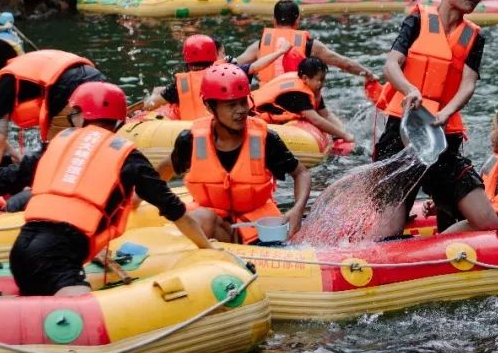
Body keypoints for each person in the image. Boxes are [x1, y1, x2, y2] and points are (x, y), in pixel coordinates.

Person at [7, 82, 215, 296]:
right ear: (119, 119)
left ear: (83, 116)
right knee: (82, 322)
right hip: (56, 259)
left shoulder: (62, 146)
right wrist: (210, 251)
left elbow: (10, 176)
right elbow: (175, 211)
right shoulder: (127, 157)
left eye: (75, 113)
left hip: (21, 250)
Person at [374, 0, 498, 235]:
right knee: (389, 228)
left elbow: (468, 85)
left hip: (443, 135)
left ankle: (441, 249)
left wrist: (445, 114)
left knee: (485, 221)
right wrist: (410, 89)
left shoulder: (475, 37)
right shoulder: (417, 19)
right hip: (401, 130)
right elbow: (391, 64)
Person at [159, 64, 310, 243]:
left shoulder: (266, 139)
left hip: (257, 230)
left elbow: (301, 173)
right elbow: (164, 171)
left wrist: (298, 209)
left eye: (242, 101)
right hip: (216, 226)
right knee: (201, 218)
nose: (241, 110)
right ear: (209, 106)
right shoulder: (190, 140)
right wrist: (137, 198)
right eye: (231, 105)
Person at [0, 42, 104, 179]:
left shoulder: (5, 79)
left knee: (54, 156)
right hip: (98, 81)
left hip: (71, 88)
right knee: (95, 140)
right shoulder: (26, 63)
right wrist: (16, 155)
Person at [234, 0, 375, 84]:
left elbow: (235, 66)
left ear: (274, 21)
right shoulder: (310, 45)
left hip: (265, 104)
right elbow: (345, 63)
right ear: (297, 22)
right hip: (296, 105)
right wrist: (368, 74)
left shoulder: (258, 45)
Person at [252, 57, 355, 141]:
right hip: (254, 115)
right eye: (320, 80)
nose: (323, 84)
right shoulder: (298, 94)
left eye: (324, 79)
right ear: (305, 78)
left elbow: (326, 114)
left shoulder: (312, 89)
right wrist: (344, 136)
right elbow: (316, 120)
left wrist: (343, 132)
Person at [141, 34, 219, 120]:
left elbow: (148, 106)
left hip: (190, 129)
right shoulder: (222, 74)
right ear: (214, 55)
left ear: (186, 59)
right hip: (219, 127)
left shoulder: (182, 84)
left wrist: (155, 94)